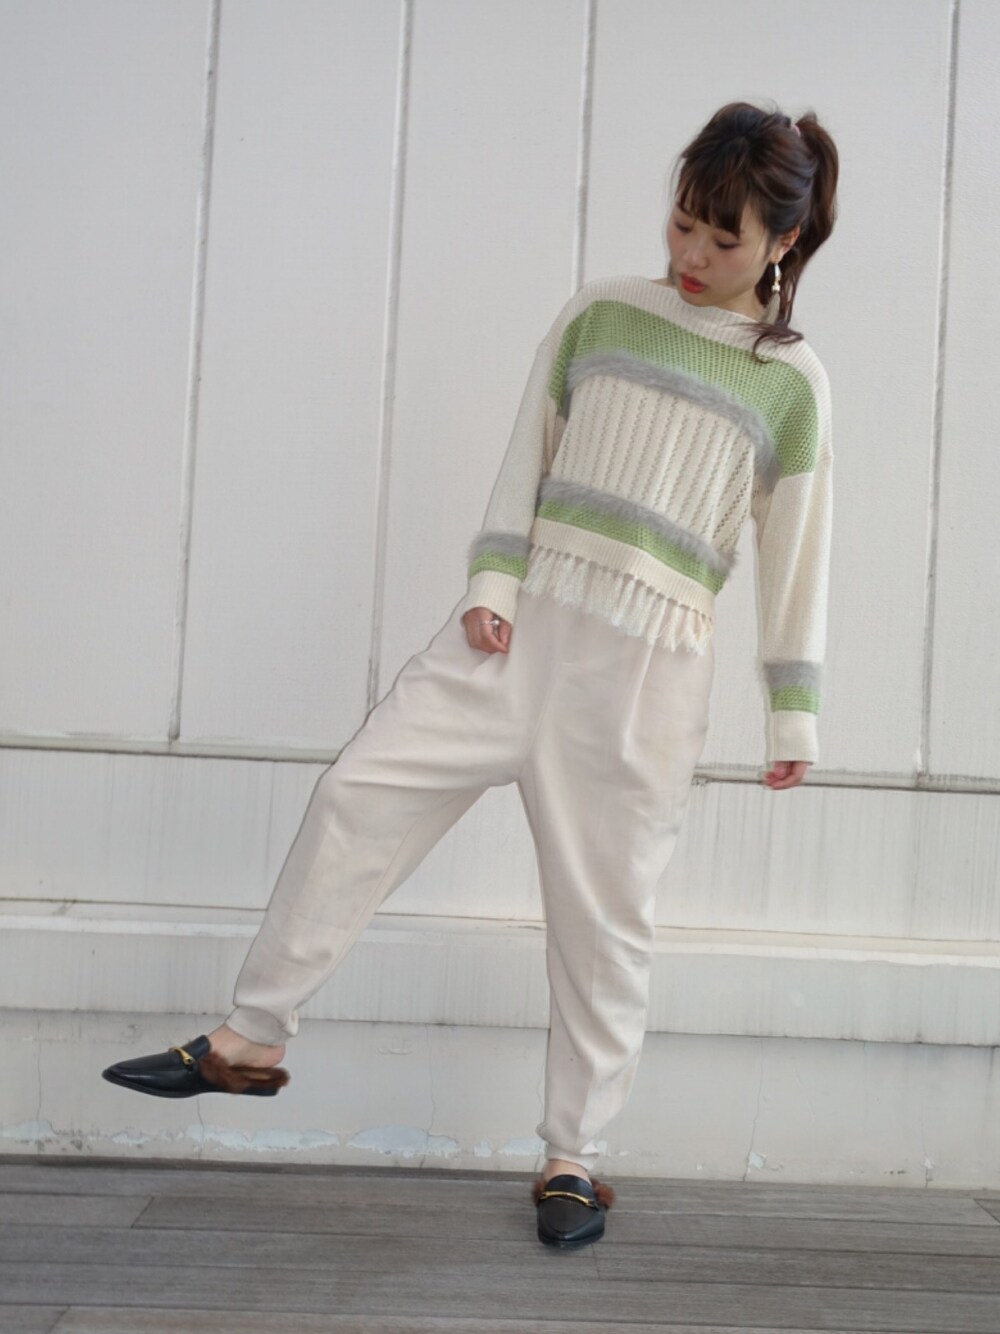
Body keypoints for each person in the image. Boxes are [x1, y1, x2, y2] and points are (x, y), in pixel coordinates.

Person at [102, 101, 838, 1251]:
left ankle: (571, 1156)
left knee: (604, 927)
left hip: (644, 679)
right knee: (358, 793)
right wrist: (492, 580)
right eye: (683, 224)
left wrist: (793, 709)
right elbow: (524, 454)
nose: (692, 254)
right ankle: (252, 1037)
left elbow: (798, 554)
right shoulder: (601, 312)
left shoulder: (792, 383)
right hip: (518, 631)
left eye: (723, 237)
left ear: (781, 241)